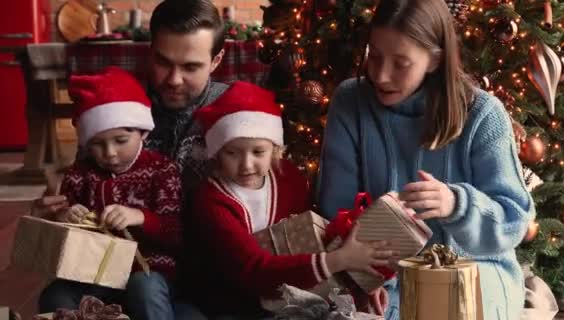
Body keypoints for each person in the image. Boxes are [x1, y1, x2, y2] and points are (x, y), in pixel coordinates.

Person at [316, 0, 536, 319]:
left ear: (435, 60)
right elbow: (335, 210)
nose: (380, 75)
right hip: (380, 274)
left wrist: (457, 205)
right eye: (374, 56)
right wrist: (364, 275)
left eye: (401, 63)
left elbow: (514, 219)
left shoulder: (483, 115)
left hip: (474, 268)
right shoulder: (350, 103)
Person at [188, 81, 395, 318]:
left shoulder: (288, 179)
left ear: (275, 149)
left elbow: (312, 239)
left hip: (289, 298)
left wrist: (361, 285)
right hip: (232, 304)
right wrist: (339, 260)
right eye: (232, 152)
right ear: (215, 152)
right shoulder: (211, 200)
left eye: (258, 152)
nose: (246, 165)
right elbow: (253, 271)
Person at [34, 0, 228, 221]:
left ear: (216, 60)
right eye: (163, 62)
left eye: (190, 67)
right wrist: (55, 214)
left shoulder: (235, 113)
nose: (174, 80)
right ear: (150, 51)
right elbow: (84, 187)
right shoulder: (115, 105)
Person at [38, 67, 183, 320]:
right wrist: (67, 216)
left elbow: (177, 232)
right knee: (55, 295)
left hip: (149, 271)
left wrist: (140, 217)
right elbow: (62, 230)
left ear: (143, 132)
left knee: (145, 290)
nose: (110, 153)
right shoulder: (80, 174)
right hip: (93, 273)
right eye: (97, 144)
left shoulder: (162, 171)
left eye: (120, 140)